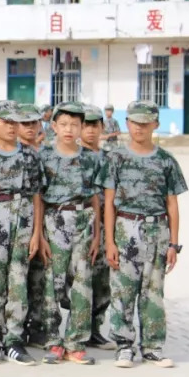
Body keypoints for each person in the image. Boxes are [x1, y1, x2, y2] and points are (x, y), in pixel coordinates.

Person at [102, 100, 187, 368]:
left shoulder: (166, 161)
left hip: (157, 230)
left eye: (145, 123)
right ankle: (124, 345)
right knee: (123, 290)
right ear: (127, 123)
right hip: (126, 228)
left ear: (155, 125)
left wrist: (173, 243)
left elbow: (172, 204)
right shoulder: (115, 158)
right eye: (135, 122)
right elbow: (108, 203)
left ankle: (152, 347)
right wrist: (109, 242)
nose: (139, 128)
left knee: (153, 293)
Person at [0, 100, 44, 366]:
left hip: (23, 219)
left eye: (15, 122)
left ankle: (14, 340)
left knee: (18, 281)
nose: (13, 127)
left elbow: (36, 196)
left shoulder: (29, 155)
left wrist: (36, 232)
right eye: (6, 122)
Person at [38, 101, 102, 366]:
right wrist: (40, 234)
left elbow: (96, 197)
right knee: (52, 281)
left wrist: (97, 233)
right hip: (54, 219)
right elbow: (38, 197)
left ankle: (76, 342)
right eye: (63, 124)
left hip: (83, 219)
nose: (69, 129)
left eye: (75, 124)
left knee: (82, 282)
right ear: (53, 126)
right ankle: (53, 341)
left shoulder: (89, 158)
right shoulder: (44, 156)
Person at [81, 105, 114, 349]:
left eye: (95, 125)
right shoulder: (74, 156)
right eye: (86, 125)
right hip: (80, 226)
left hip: (106, 226)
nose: (91, 130)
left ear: (102, 127)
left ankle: (95, 329)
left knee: (101, 280)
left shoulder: (111, 158)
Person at [16, 103, 48, 348]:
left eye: (33, 123)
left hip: (42, 227)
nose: (29, 128)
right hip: (15, 227)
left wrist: (39, 233)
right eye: (24, 123)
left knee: (38, 279)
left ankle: (35, 327)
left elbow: (39, 196)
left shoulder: (42, 155)